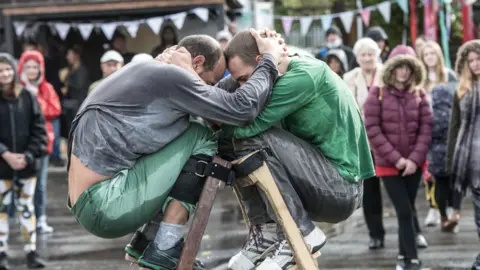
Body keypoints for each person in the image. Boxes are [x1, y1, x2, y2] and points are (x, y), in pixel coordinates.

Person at [67, 30, 285, 270]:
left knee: (189, 130)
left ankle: (148, 240)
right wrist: (269, 59)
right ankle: (164, 246)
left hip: (94, 202)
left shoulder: (150, 72)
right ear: (197, 63)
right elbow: (242, 110)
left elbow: (217, 105)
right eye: (210, 83)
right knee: (200, 135)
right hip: (106, 205)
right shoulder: (172, 76)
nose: (209, 90)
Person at [219, 29, 373, 269]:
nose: (242, 86)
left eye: (243, 79)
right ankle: (266, 231)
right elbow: (222, 95)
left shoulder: (302, 76)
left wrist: (214, 131)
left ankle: (300, 233)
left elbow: (250, 124)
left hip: (341, 189)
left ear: (262, 63)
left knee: (253, 136)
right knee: (232, 146)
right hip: (318, 181)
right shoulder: (277, 70)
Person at [364, 45, 433, 270]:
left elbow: (426, 129)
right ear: (391, 68)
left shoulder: (420, 94)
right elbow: (372, 129)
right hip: (388, 165)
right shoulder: (378, 93)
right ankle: (412, 259)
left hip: (414, 165)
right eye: (399, 66)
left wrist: (413, 160)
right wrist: (396, 159)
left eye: (408, 67)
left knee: (408, 209)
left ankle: (403, 259)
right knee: (404, 210)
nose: (403, 72)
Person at [0, 53, 48, 269]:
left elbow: (40, 132)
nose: (5, 74)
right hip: (1, 168)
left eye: (8, 69)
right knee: (1, 210)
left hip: (27, 167)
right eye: (0, 70)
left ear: (14, 71)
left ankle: (31, 253)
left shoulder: (28, 97)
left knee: (27, 209)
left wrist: (27, 156)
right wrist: (6, 154)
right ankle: (1, 254)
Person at [343, 38, 385, 249]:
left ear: (378, 54)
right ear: (357, 58)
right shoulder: (349, 77)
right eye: (363, 55)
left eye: (371, 54)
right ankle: (375, 234)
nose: (367, 58)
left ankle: (413, 232)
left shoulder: (388, 73)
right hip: (362, 143)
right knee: (370, 191)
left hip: (387, 141)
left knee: (399, 190)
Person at [444, 39, 480, 269]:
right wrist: (450, 160)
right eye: (471, 60)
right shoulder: (461, 90)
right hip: (471, 161)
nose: (476, 63)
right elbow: (454, 127)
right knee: (479, 214)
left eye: (479, 58)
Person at [17, 50, 62, 234]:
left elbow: (55, 110)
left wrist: (37, 99)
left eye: (35, 67)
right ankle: (17, 219)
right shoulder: (14, 89)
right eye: (28, 66)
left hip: (41, 143)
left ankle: (40, 219)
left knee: (40, 185)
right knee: (16, 184)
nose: (32, 70)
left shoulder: (46, 89)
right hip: (18, 143)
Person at [419, 40, 457, 227]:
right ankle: (433, 208)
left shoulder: (449, 75)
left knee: (447, 173)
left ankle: (448, 206)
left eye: (432, 54)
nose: (429, 58)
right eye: (426, 55)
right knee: (429, 173)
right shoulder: (421, 78)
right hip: (428, 131)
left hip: (447, 130)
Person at [428, 84, 454, 231]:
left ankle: (443, 215)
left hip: (435, 156)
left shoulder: (430, 115)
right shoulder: (454, 113)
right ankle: (455, 210)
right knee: (454, 186)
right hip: (452, 154)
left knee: (439, 186)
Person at [61, 45, 90, 138]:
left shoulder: (81, 69)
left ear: (76, 55)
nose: (67, 57)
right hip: (70, 104)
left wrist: (67, 79)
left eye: (69, 54)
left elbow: (79, 85)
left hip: (78, 105)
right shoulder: (70, 69)